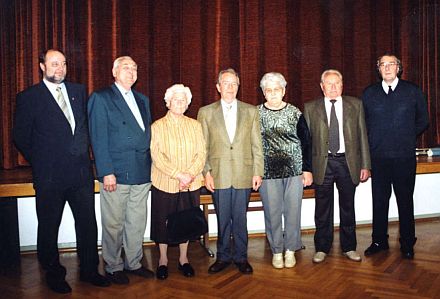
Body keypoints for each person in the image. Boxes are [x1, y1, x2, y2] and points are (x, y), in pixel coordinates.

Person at [13, 49, 110, 293]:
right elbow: (21, 137)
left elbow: (84, 128)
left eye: (63, 63)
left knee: (88, 224)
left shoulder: (78, 91)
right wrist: (44, 160)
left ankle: (89, 270)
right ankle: (53, 274)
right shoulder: (29, 97)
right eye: (54, 64)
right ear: (42, 67)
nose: (60, 68)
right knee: (49, 227)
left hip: (80, 174)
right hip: (49, 176)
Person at [88, 56, 153, 284]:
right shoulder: (101, 97)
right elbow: (98, 137)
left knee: (136, 221)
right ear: (114, 71)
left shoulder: (142, 99)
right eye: (126, 67)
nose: (131, 72)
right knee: (113, 223)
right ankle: (114, 266)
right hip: (116, 172)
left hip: (141, 172)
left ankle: (133, 263)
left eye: (135, 68)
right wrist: (106, 171)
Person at [197, 68, 264, 275]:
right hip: (218, 175)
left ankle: (241, 257)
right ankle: (224, 257)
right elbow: (202, 147)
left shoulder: (251, 111)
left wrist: (257, 172)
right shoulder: (206, 112)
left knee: (240, 218)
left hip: (243, 174)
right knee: (223, 218)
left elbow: (257, 145)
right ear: (218, 87)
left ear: (238, 86)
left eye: (234, 83)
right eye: (226, 83)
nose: (230, 88)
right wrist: (206, 172)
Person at [362, 54, 429, 259]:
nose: (388, 67)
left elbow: (423, 120)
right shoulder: (369, 93)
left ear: (399, 68)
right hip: (379, 158)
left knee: (405, 201)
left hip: (404, 158)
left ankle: (407, 243)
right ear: (378, 69)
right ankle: (379, 241)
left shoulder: (413, 91)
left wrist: (406, 137)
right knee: (379, 201)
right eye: (383, 64)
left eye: (392, 64)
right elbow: (363, 123)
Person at [303, 69, 371, 264]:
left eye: (337, 84)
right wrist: (306, 168)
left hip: (347, 163)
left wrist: (365, 164)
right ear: (322, 86)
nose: (333, 88)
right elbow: (306, 143)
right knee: (322, 208)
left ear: (342, 86)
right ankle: (322, 248)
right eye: (329, 84)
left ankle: (349, 247)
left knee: (348, 207)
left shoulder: (355, 105)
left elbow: (362, 136)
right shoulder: (310, 107)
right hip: (321, 163)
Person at [150, 84, 206, 280]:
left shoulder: (195, 125)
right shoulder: (157, 126)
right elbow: (157, 156)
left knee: (186, 222)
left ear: (188, 103)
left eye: (183, 100)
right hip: (165, 182)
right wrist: (178, 175)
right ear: (168, 102)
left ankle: (184, 259)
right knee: (162, 222)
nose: (180, 103)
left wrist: (189, 175)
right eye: (176, 99)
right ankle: (163, 260)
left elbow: (201, 154)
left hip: (191, 184)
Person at [257, 72, 313, 269]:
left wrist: (307, 169)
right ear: (264, 92)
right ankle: (276, 251)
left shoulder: (295, 112)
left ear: (284, 91)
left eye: (277, 89)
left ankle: (291, 249)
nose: (273, 93)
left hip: (294, 170)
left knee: (292, 211)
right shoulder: (256, 113)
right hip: (267, 171)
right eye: (269, 90)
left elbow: (306, 143)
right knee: (272, 213)